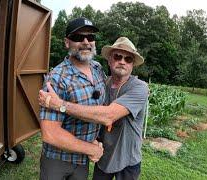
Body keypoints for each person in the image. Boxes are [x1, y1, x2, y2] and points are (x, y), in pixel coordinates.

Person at [39, 37, 149, 180]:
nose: (122, 61)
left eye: (128, 59)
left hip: (127, 160)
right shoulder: (102, 82)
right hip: (103, 155)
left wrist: (60, 105)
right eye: (117, 56)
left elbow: (108, 116)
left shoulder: (139, 88)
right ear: (109, 59)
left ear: (132, 64)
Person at [39, 17, 107, 180]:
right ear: (67, 42)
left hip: (82, 160)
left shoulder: (97, 69)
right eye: (78, 37)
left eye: (90, 37)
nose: (86, 42)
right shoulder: (56, 78)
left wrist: (134, 84)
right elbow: (50, 133)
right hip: (58, 159)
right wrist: (91, 149)